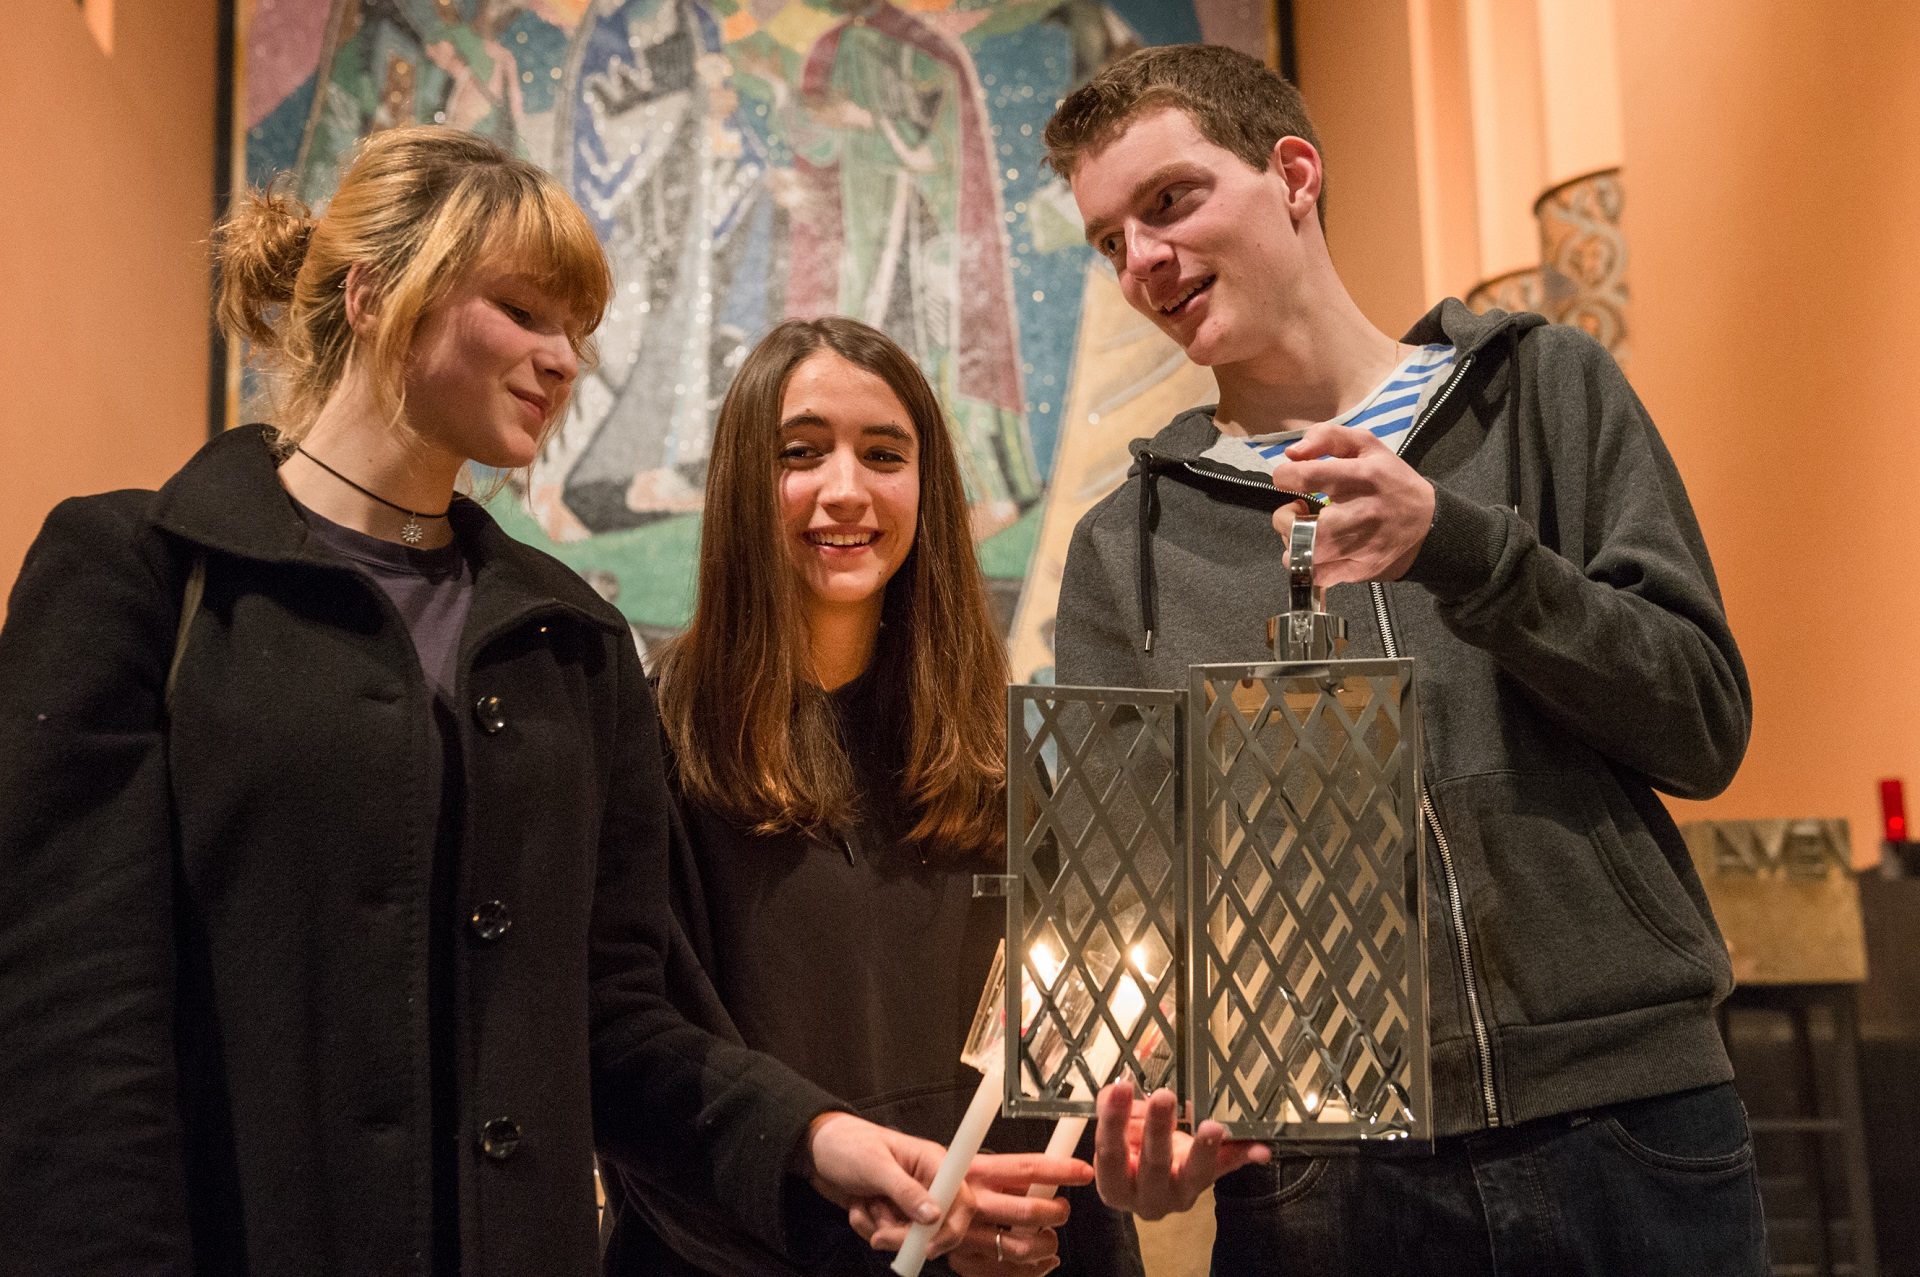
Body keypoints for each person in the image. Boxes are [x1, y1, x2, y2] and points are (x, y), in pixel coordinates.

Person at [0, 127, 994, 1276]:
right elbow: (69, 1036)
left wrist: (812, 1139)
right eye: (524, 312)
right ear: (375, 292)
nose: (564, 359)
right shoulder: (142, 572)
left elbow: (612, 1020)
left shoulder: (568, 639)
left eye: (578, 328)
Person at [1041, 44, 1765, 1276]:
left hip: (1629, 1129)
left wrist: (1464, 548)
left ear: (1294, 173)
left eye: (1170, 202)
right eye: (1111, 241)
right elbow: (1120, 903)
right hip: (1324, 1181)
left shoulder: (1541, 391)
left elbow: (1700, 722)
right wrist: (1130, 1107)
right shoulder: (1128, 546)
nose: (1143, 262)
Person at [602, 316, 1136, 1277]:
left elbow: (1070, 1059)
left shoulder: (995, 755)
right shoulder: (649, 744)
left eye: (883, 453)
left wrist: (1026, 1224)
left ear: (926, 486)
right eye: (800, 453)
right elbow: (642, 1075)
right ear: (736, 486)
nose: (844, 489)